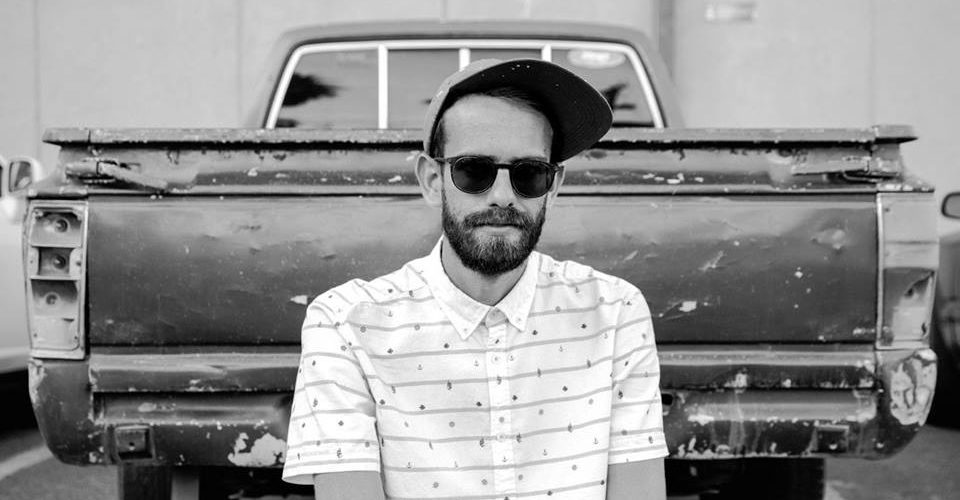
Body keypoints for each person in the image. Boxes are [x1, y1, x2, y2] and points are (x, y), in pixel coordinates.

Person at [282, 58, 667, 499]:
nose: (502, 196)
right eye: (474, 171)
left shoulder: (614, 312)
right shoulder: (347, 324)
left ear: (554, 185)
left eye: (529, 174)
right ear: (432, 180)